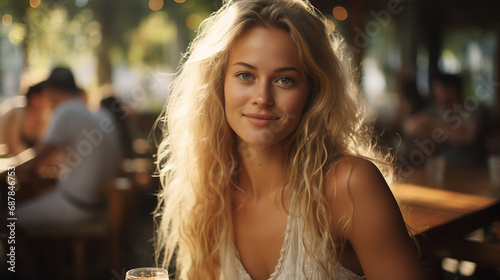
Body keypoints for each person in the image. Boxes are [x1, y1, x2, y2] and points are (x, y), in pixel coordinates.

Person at [154, 0, 427, 279]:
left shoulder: (349, 185)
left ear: (313, 91)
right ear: (218, 84)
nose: (262, 98)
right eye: (245, 75)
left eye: (285, 80)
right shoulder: (210, 193)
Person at [1, 67, 123, 226]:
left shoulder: (66, 112)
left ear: (50, 90)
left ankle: (21, 252)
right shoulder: (101, 114)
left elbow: (36, 161)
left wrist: (6, 174)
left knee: (6, 220)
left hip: (76, 205)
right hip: (102, 205)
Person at [404, 73, 487, 166]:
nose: (435, 93)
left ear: (453, 90)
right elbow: (409, 127)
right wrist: (432, 136)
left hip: (471, 168)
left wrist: (431, 123)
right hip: (443, 167)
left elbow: (468, 138)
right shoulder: (436, 110)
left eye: (439, 90)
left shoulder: (471, 108)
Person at [0, 82, 51, 156]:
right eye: (46, 97)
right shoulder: (15, 114)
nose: (49, 101)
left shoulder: (46, 118)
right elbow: (13, 145)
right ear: (34, 98)